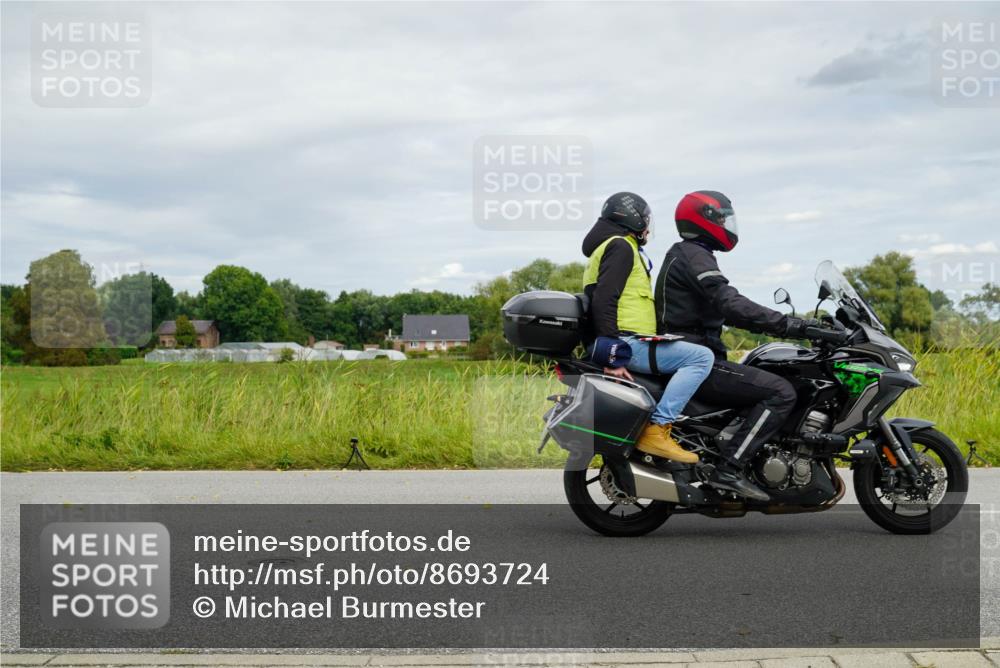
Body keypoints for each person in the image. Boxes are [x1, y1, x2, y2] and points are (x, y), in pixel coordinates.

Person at [654, 190, 818, 501]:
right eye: (723, 219)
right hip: (696, 358)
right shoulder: (693, 255)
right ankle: (729, 469)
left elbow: (729, 312)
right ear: (703, 220)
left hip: (694, 353)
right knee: (781, 392)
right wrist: (792, 325)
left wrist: (783, 326)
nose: (728, 225)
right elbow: (730, 303)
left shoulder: (691, 253)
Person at [582, 192, 715, 464]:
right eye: (644, 220)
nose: (646, 227)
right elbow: (604, 299)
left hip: (628, 339)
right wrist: (613, 354)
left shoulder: (610, 246)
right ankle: (658, 427)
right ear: (632, 218)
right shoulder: (621, 246)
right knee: (701, 357)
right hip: (627, 342)